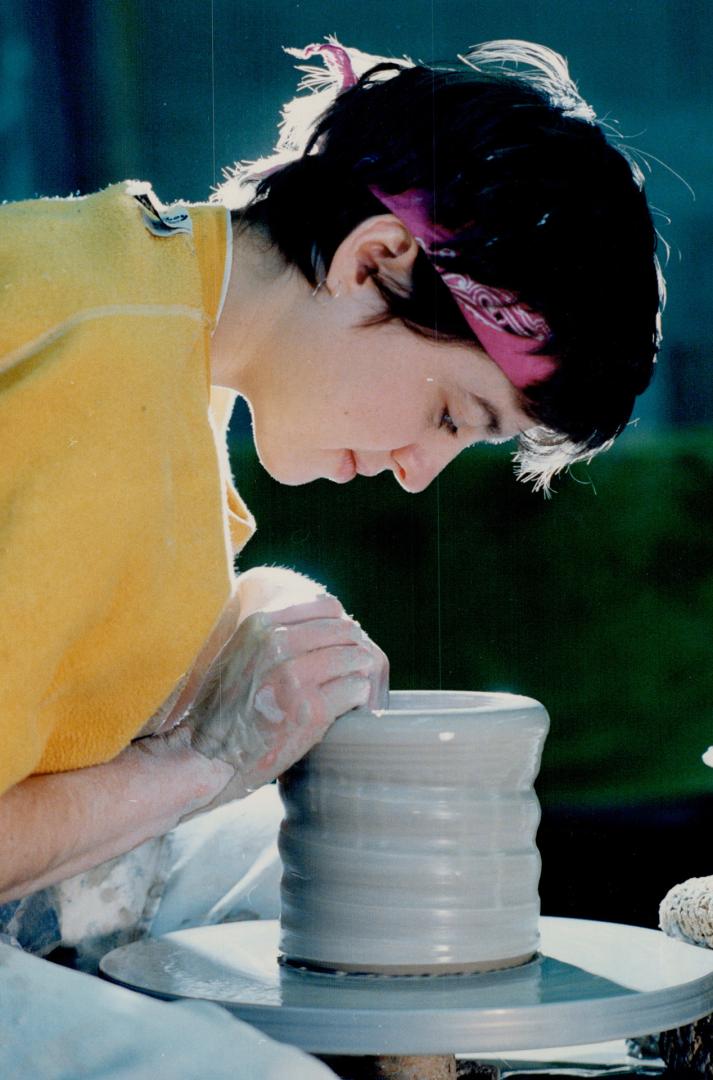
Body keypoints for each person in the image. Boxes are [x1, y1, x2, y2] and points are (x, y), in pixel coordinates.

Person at [0, 37, 663, 1079]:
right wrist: (198, 762)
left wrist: (251, 622)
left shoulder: (140, 288)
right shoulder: (104, 389)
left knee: (314, 879)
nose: (414, 473)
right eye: (449, 413)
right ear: (373, 261)